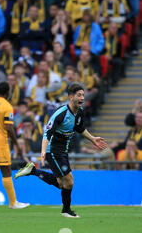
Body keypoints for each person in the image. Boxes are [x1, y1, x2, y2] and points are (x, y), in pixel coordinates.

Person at [14, 83, 107, 218]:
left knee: (61, 183)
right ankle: (66, 211)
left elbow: (80, 128)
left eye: (83, 95)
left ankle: (33, 171)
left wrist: (92, 139)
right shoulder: (61, 113)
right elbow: (47, 132)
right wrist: (43, 151)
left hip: (63, 150)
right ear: (70, 97)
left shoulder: (79, 112)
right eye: (79, 95)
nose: (82, 97)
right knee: (69, 181)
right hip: (53, 150)